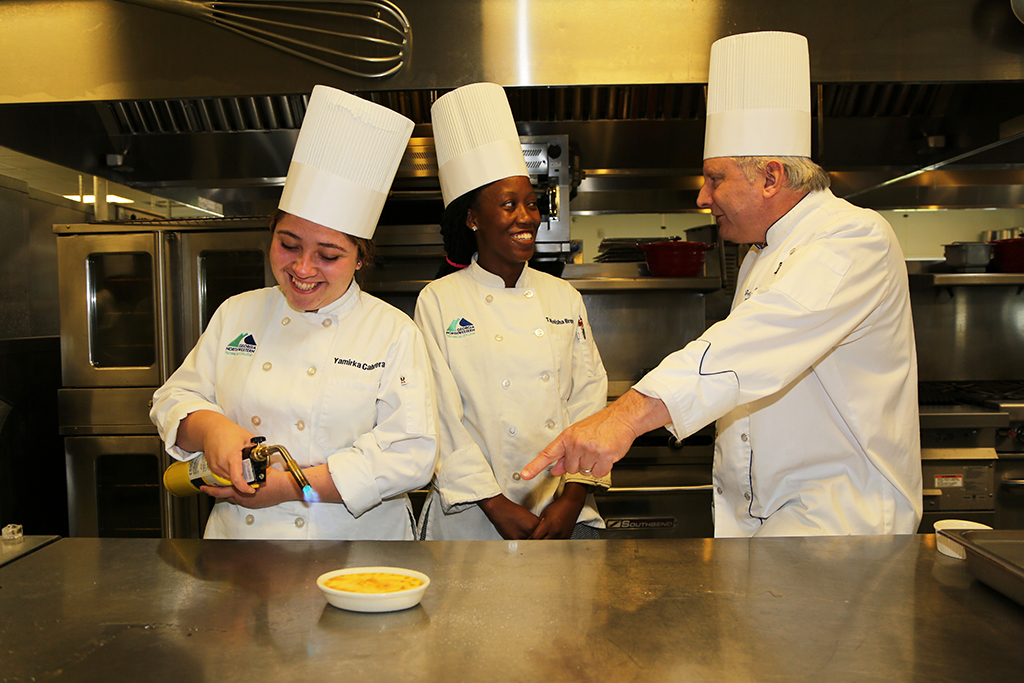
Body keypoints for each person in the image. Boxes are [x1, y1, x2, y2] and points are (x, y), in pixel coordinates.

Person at [522, 32, 923, 537]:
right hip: (768, 528)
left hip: (839, 529)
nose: (701, 197)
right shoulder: (761, 252)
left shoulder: (855, 237)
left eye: (715, 179)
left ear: (771, 177)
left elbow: (757, 342)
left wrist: (625, 417)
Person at [150, 85, 438, 540]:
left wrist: (289, 488)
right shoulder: (236, 314)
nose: (302, 269)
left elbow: (411, 456)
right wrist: (212, 430)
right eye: (288, 245)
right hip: (240, 545)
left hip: (353, 549)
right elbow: (172, 401)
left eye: (328, 255)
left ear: (360, 258)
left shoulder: (392, 332)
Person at [415, 82, 610, 540]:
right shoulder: (438, 300)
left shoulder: (563, 298)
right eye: (508, 205)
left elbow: (589, 404)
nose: (527, 217)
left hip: (564, 512)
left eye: (531, 203)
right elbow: (440, 417)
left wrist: (571, 500)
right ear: (473, 218)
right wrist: (499, 507)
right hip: (473, 519)